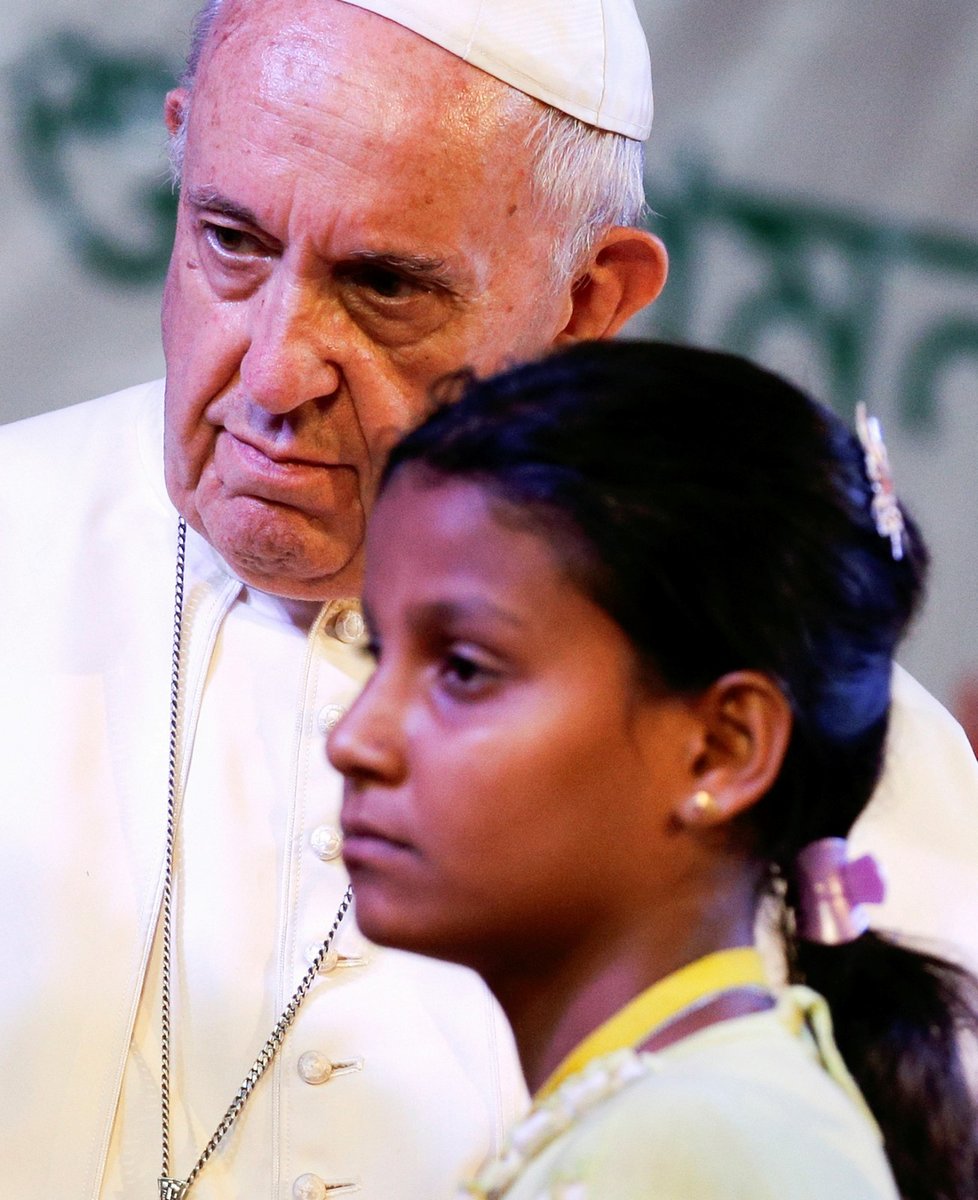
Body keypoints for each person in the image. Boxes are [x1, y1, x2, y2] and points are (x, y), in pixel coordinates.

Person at [0, 0, 974, 1196]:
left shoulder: (799, 721)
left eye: (383, 286)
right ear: (179, 148)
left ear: (590, 303)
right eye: (232, 241)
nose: (272, 370)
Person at [328, 340, 978, 1200]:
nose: (355, 738)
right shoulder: (689, 1115)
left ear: (720, 750)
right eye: (380, 651)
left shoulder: (684, 1150)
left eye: (464, 669)